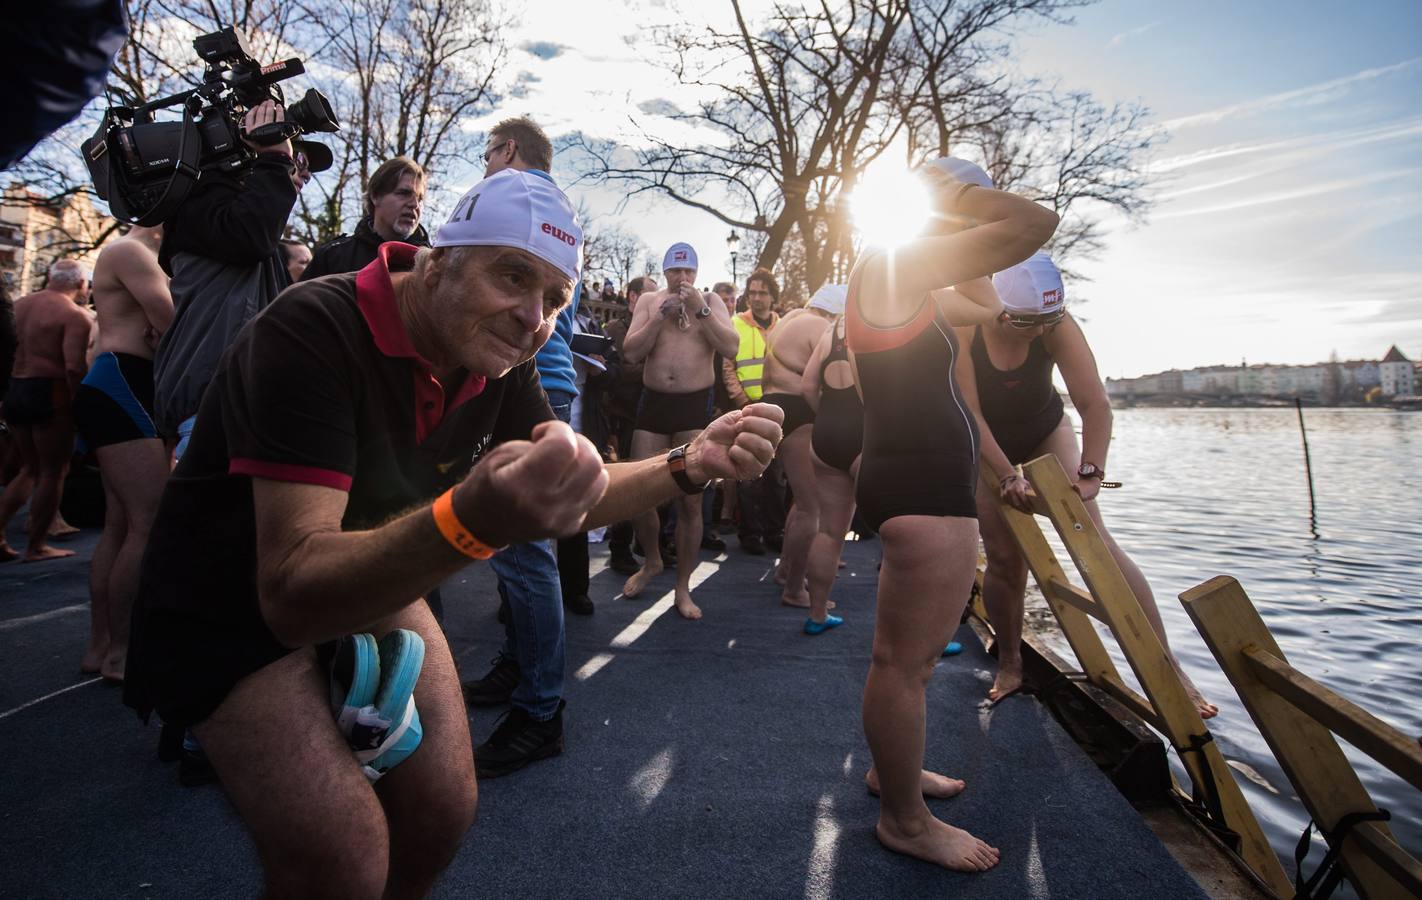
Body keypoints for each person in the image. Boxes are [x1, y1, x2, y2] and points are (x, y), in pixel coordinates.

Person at [122, 168, 784, 896]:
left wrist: (690, 463)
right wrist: (466, 524)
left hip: (371, 564)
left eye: (554, 299)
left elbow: (577, 491)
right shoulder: (312, 325)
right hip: (224, 598)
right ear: (438, 263)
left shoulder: (495, 360)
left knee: (442, 810)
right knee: (340, 854)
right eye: (513, 276)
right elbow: (291, 593)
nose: (532, 317)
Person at [847, 158, 1057, 872]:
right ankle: (905, 821)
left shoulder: (910, 277)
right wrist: (960, 196)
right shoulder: (897, 264)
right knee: (903, 665)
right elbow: (1035, 224)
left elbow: (988, 302)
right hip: (922, 489)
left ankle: (893, 775)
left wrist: (959, 222)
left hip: (919, 482)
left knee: (914, 659)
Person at [957, 251, 1218, 718]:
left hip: (1044, 428)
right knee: (1005, 556)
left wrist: (1091, 474)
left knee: (1093, 537)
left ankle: (1170, 667)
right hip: (986, 439)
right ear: (1000, 310)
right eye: (1027, 322)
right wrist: (1007, 474)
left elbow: (1094, 403)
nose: (1039, 331)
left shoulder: (1057, 325)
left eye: (1048, 320)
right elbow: (971, 413)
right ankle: (1010, 662)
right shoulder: (966, 323)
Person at [459, 115, 595, 777]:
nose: (485, 164)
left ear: (507, 149)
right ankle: (520, 665)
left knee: (524, 552)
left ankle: (541, 711)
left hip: (529, 376)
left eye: (488, 152)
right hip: (524, 374)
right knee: (507, 545)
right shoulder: (559, 213)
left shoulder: (520, 205)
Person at [152, 101, 326, 459]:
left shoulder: (258, 243)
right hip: (211, 413)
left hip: (246, 412)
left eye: (305, 170)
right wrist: (274, 160)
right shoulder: (203, 209)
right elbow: (250, 234)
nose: (301, 174)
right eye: (295, 158)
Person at [71, 224, 172, 680]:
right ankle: (121, 652)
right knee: (148, 521)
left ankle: (101, 646)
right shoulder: (131, 250)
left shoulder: (147, 255)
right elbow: (173, 320)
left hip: (125, 382)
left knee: (120, 525)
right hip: (123, 381)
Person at [620, 243, 740, 618]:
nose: (682, 278)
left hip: (693, 406)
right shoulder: (650, 301)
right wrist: (660, 317)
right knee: (638, 491)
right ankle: (652, 560)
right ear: (666, 272)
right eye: (675, 271)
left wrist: (701, 311)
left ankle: (683, 587)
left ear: (697, 273)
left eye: (688, 272)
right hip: (654, 404)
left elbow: (731, 347)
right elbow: (631, 352)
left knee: (690, 500)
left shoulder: (711, 302)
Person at [0, 260, 92, 562]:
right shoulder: (73, 315)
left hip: (15, 388)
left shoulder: (19, 305)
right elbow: (73, 367)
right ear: (81, 284)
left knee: (30, 468)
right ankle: (36, 546)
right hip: (49, 391)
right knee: (53, 470)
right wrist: (79, 405)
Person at [761, 283, 838, 608]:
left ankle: (785, 571)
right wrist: (827, 417)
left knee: (801, 502)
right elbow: (818, 384)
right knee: (812, 507)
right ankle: (795, 589)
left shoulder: (790, 319)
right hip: (798, 409)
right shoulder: (821, 326)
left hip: (774, 404)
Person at [798, 286, 857, 634]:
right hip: (866, 436)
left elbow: (808, 386)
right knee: (897, 533)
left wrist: (828, 416)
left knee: (830, 532)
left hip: (826, 435)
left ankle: (817, 614)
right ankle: (920, 635)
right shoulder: (879, 328)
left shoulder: (831, 331)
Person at [723, 268, 786, 556]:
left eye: (763, 293)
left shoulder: (783, 326)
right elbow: (728, 367)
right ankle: (750, 533)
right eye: (753, 293)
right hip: (747, 408)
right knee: (749, 474)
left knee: (777, 477)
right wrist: (740, 399)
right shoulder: (736, 323)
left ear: (773, 297)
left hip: (778, 409)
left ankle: (775, 531)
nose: (757, 298)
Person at [301, 156, 428, 280]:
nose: (415, 204)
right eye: (404, 193)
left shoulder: (432, 265)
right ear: (375, 196)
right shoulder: (332, 257)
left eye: (420, 199)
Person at [602, 275, 654, 575]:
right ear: (633, 297)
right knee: (626, 482)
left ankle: (648, 544)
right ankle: (620, 547)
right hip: (623, 415)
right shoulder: (615, 329)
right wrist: (657, 368)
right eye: (648, 294)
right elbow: (620, 370)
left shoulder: (657, 325)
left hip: (651, 413)